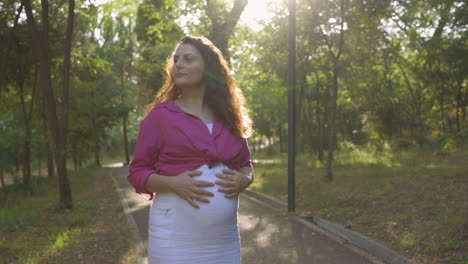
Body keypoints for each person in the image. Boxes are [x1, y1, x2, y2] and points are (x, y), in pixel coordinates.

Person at [128, 35, 254, 264]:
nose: (178, 65)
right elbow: (137, 172)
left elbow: (246, 164)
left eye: (188, 59)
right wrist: (172, 183)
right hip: (174, 239)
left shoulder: (229, 117)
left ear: (208, 67)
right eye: (176, 60)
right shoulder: (159, 117)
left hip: (224, 242)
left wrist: (245, 179)